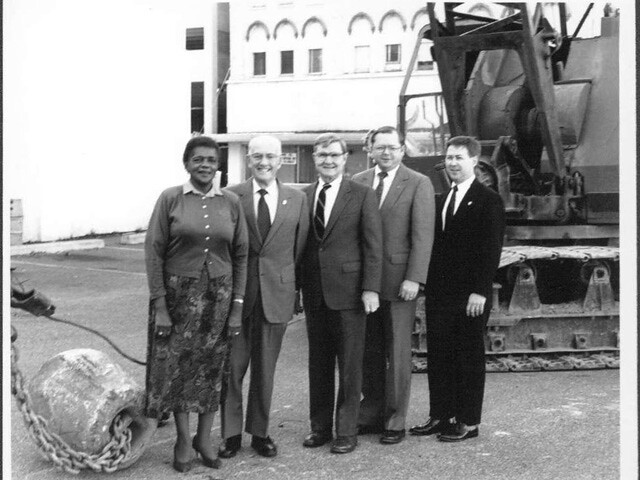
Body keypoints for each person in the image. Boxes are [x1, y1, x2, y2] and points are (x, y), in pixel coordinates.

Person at [144, 135, 248, 472]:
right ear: (186, 163)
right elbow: (154, 251)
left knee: (212, 369)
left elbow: (242, 256)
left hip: (218, 299)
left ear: (219, 166)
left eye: (211, 160)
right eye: (198, 159)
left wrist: (236, 308)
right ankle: (183, 440)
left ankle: (206, 439)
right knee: (177, 370)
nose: (205, 165)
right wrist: (160, 305)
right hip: (177, 300)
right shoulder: (170, 198)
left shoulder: (231, 202)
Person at [219, 135, 309, 458]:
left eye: (271, 156)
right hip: (238, 297)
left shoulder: (297, 199)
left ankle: (259, 433)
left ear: (281, 160)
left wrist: (293, 288)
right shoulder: (231, 196)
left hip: (277, 295)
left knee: (265, 369)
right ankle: (230, 435)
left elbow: (299, 249)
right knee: (231, 368)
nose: (264, 162)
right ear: (248, 159)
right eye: (257, 156)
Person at [410, 135, 505, 442]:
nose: (452, 163)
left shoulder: (489, 200)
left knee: (468, 356)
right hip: (440, 294)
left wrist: (480, 291)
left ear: (474, 162)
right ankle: (440, 415)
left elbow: (491, 250)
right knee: (437, 355)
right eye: (449, 157)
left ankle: (467, 420)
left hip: (470, 296)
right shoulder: (440, 199)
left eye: (459, 157)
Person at [299, 133, 383, 454]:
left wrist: (371, 288)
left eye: (334, 155)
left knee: (350, 366)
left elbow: (373, 245)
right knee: (318, 364)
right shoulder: (304, 196)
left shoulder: (361, 194)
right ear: (314, 159)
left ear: (345, 158)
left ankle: (346, 431)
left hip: (350, 294)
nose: (328, 161)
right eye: (322, 156)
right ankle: (319, 428)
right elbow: (300, 248)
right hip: (315, 294)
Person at [352, 126, 435, 444]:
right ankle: (370, 410)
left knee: (398, 352)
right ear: (370, 150)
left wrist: (414, 277)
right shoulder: (358, 182)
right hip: (364, 283)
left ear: (403, 151)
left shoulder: (418, 183)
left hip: (400, 282)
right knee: (367, 351)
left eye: (393, 147)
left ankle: (395, 418)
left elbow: (423, 235)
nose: (386, 153)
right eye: (380, 147)